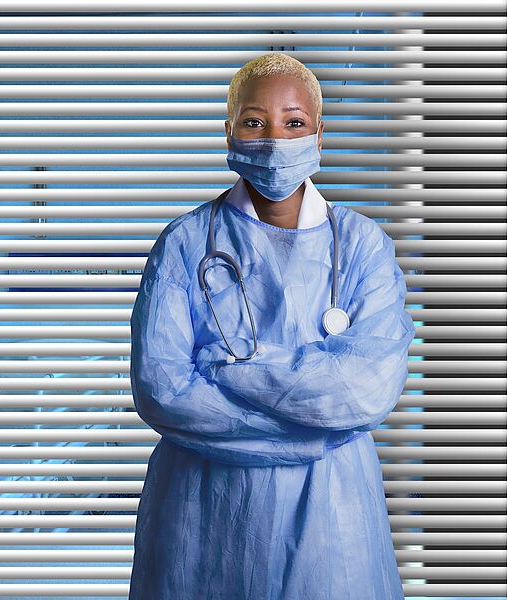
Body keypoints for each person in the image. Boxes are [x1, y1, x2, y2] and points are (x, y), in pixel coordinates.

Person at [128, 52, 415, 600]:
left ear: (319, 135)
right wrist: (312, 431)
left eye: (294, 122)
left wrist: (227, 374)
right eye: (254, 121)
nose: (275, 139)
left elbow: (363, 391)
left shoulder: (362, 247)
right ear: (229, 130)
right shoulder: (184, 244)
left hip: (332, 514)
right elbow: (163, 390)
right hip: (205, 514)